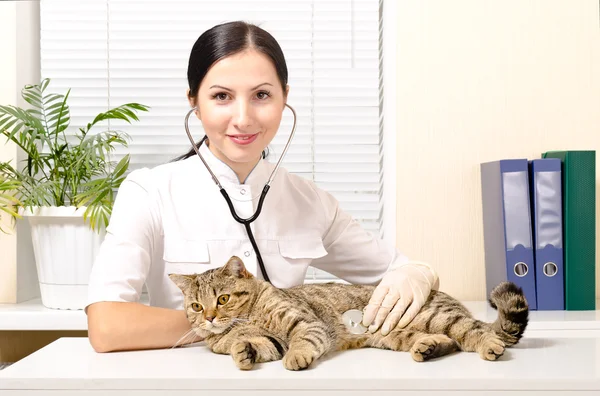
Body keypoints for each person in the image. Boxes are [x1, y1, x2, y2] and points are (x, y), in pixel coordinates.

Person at [85, 21, 439, 353]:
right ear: (194, 101)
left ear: (284, 98)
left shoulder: (310, 201)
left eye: (262, 95)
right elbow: (107, 326)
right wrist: (227, 323)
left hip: (295, 373)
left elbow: (400, 268)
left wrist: (419, 274)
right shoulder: (150, 192)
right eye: (222, 96)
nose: (243, 118)